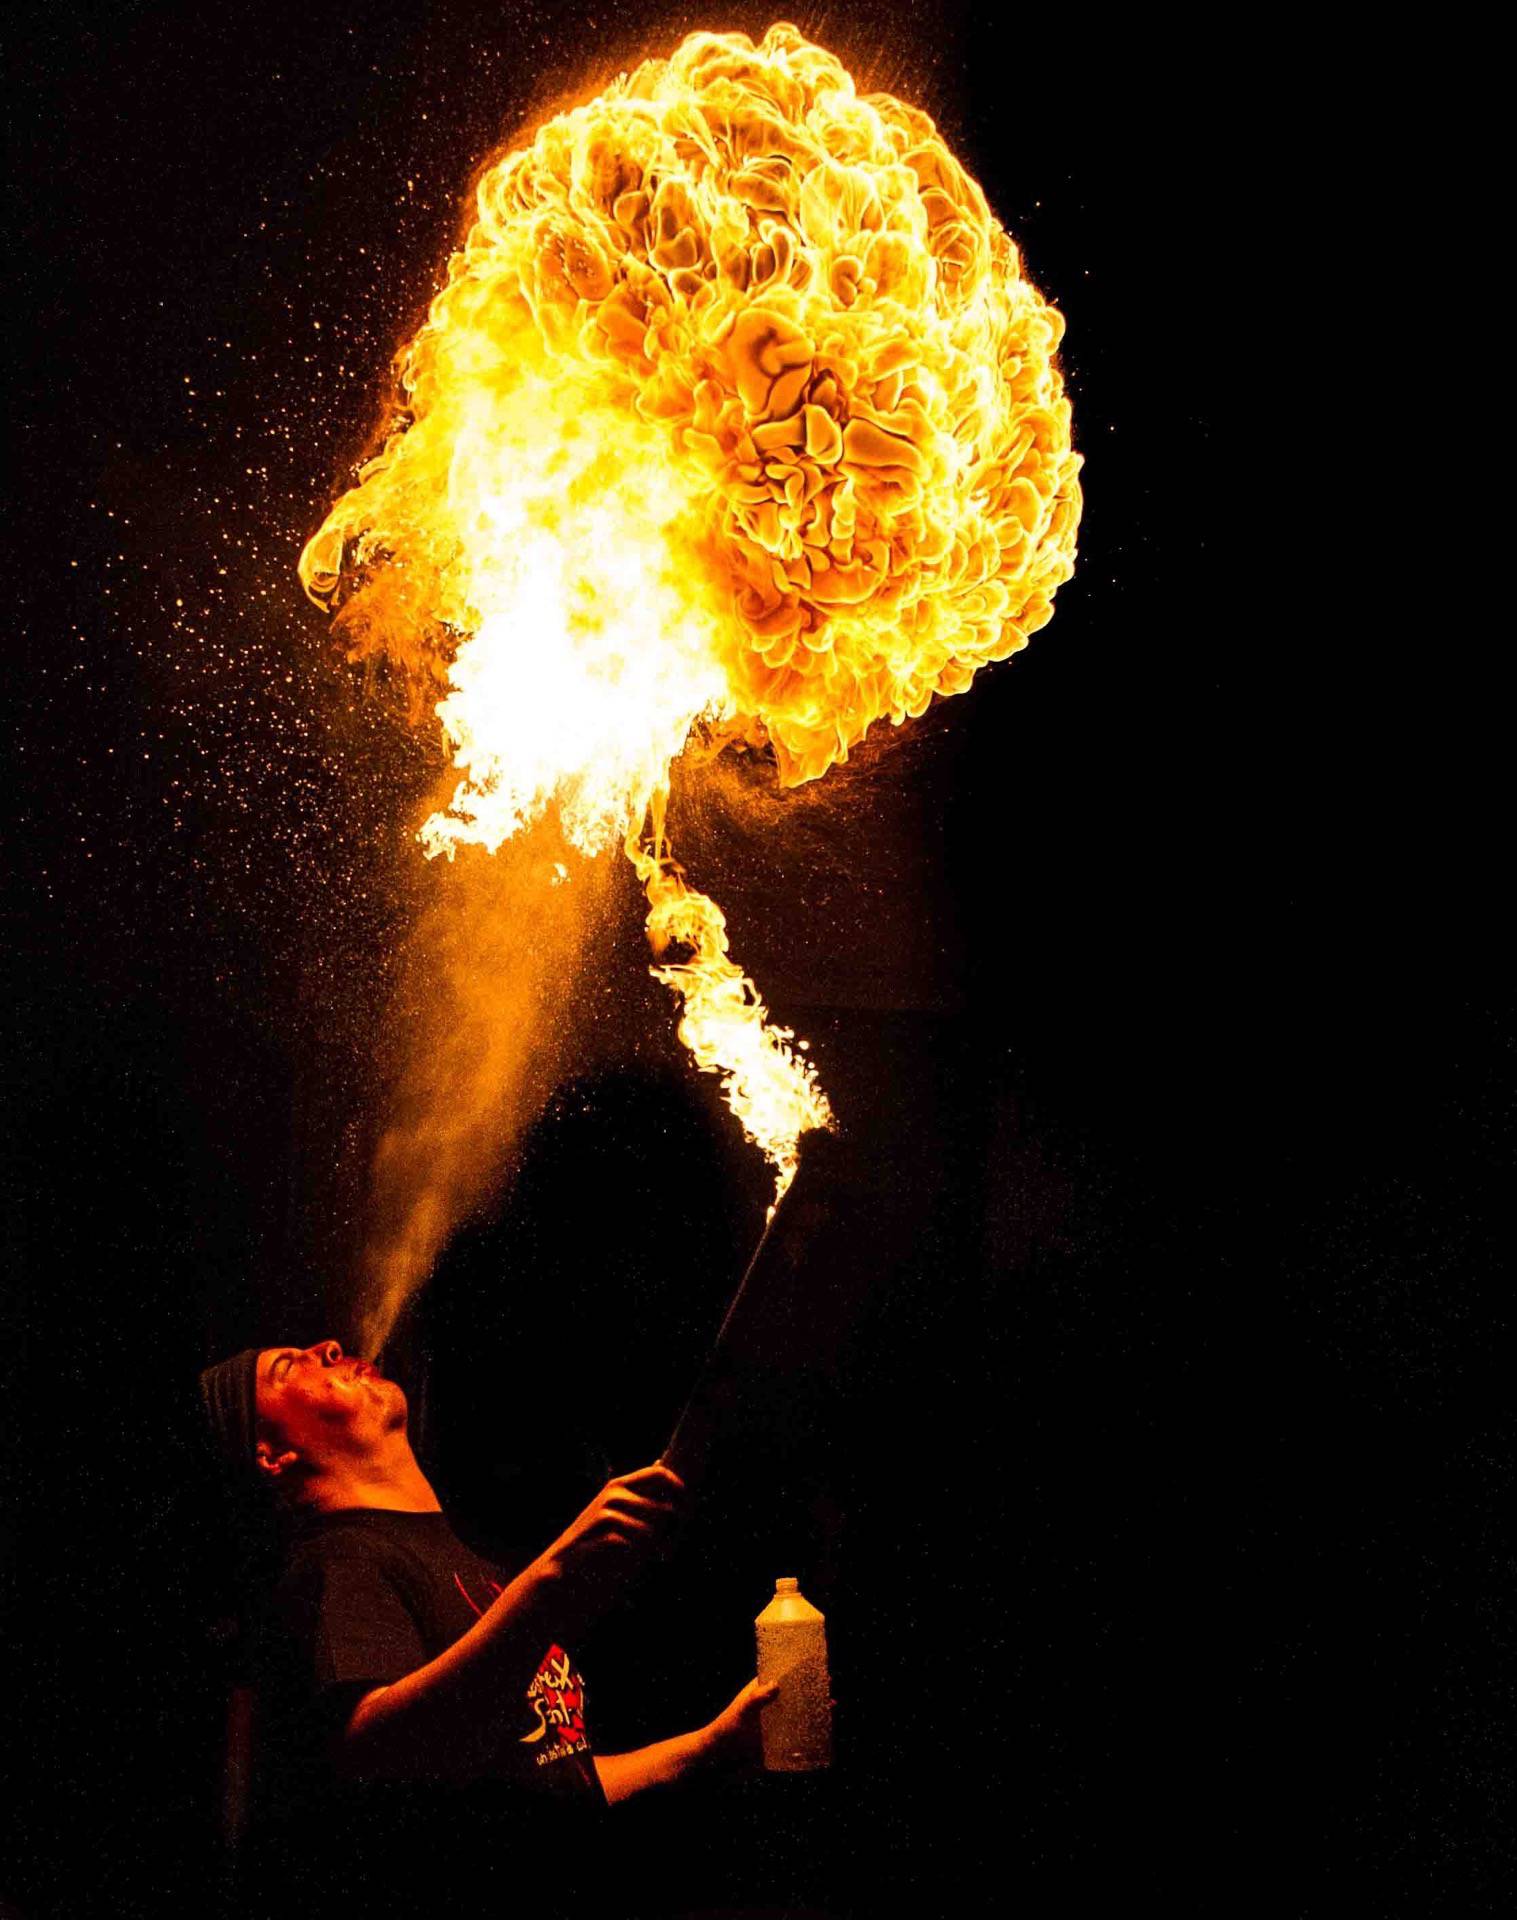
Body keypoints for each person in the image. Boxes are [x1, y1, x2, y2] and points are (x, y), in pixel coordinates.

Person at [199, 1339, 775, 1917]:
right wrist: (553, 1579)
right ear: (270, 1455)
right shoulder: (339, 1565)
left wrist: (711, 1744)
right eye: (286, 1366)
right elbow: (386, 1758)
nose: (327, 1346)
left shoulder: (466, 1562)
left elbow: (544, 1782)